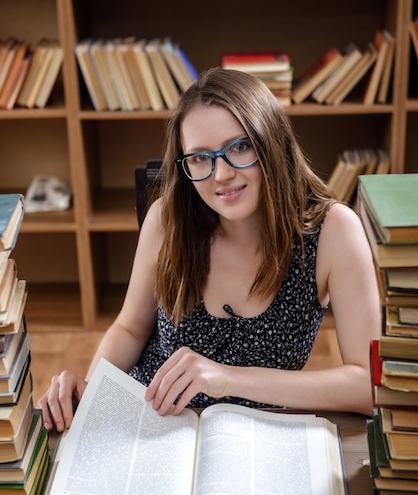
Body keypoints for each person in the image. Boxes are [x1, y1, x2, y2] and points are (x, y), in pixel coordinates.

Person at [38, 67, 381, 432]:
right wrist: (93, 392)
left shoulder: (333, 231)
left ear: (271, 141)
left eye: (239, 146)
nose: (221, 175)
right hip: (151, 426)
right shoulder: (167, 220)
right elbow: (130, 329)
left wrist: (226, 378)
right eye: (201, 157)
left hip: (253, 438)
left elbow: (369, 387)